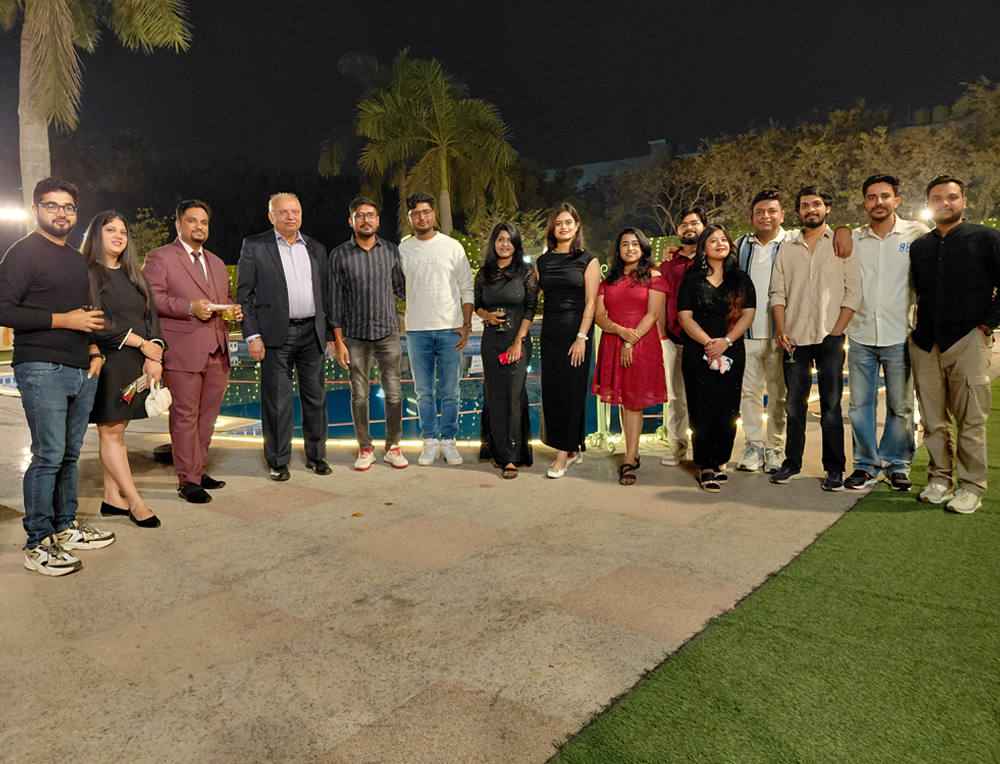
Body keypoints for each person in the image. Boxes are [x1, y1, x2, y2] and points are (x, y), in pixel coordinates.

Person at [0, 177, 115, 576]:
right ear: (36, 210)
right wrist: (63, 320)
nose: (61, 213)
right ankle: (37, 543)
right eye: (52, 205)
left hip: (81, 367)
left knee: (68, 454)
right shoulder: (23, 253)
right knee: (47, 455)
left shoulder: (74, 258)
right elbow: (4, 309)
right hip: (41, 366)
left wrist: (94, 350)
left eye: (68, 207)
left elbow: (85, 313)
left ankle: (65, 526)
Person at [909, 175, 1000, 513]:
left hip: (968, 339)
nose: (944, 203)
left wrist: (986, 326)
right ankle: (940, 479)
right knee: (932, 420)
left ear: (963, 201)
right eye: (936, 198)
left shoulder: (987, 239)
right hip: (926, 341)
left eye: (951, 197)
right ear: (928, 204)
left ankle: (972, 486)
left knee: (970, 419)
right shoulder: (921, 246)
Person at [143, 200, 242, 504]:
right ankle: (187, 480)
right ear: (178, 224)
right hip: (183, 350)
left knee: (207, 418)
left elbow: (224, 298)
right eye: (192, 221)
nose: (199, 226)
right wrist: (188, 307)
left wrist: (232, 310)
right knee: (185, 417)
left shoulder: (216, 262)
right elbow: (151, 299)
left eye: (204, 222)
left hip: (218, 349)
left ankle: (198, 470)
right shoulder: (160, 257)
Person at [769, 186, 861, 491]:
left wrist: (836, 333)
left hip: (829, 337)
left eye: (817, 204)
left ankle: (834, 468)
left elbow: (853, 292)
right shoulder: (787, 248)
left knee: (831, 406)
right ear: (798, 212)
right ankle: (791, 463)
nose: (811, 209)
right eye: (805, 205)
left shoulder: (840, 243)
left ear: (827, 208)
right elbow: (777, 292)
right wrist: (781, 329)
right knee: (794, 406)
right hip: (794, 338)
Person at [237, 193, 331, 481]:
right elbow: (244, 295)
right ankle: (278, 461)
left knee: (316, 399)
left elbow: (325, 294)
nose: (291, 216)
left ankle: (317, 456)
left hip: (312, 333)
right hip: (275, 335)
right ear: (271, 216)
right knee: (277, 402)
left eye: (295, 211)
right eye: (284, 212)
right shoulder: (255, 246)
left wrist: (328, 333)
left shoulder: (316, 248)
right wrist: (252, 335)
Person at [844, 175, 929, 492]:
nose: (878, 202)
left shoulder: (917, 233)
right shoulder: (854, 238)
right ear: (864, 204)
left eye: (884, 196)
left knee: (901, 407)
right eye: (871, 197)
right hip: (861, 334)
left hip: (900, 334)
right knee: (859, 407)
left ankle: (897, 465)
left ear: (896, 200)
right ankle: (865, 465)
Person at [84, 211, 165, 528]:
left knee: (117, 430)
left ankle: (111, 496)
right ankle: (135, 501)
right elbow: (96, 321)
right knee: (112, 432)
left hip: (135, 361)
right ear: (96, 234)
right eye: (110, 230)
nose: (119, 235)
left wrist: (154, 354)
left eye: (123, 231)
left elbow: (151, 317)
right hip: (109, 360)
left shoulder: (135, 275)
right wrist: (140, 344)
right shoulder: (89, 273)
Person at [327, 197, 408, 471]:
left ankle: (393, 446)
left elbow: (401, 288)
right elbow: (334, 301)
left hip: (388, 333)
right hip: (355, 336)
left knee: (394, 392)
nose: (366, 220)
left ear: (378, 220)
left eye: (371, 215)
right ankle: (365, 448)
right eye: (360, 215)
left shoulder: (391, 251)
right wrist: (339, 341)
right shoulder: (339, 255)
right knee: (359, 393)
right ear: (351, 221)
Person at [677, 226, 756, 491]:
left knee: (728, 408)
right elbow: (684, 316)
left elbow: (748, 315)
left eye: (724, 239)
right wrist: (708, 343)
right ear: (703, 248)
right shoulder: (692, 280)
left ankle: (720, 459)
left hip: (731, 350)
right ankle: (706, 465)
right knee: (701, 408)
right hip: (698, 350)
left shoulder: (741, 279)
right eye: (713, 240)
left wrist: (726, 342)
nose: (720, 243)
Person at [398, 193, 475, 468]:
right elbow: (396, 286)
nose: (422, 217)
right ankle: (430, 439)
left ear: (434, 215)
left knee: (451, 390)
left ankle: (448, 439)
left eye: (426, 212)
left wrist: (466, 325)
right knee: (423, 391)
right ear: (409, 218)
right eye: (416, 213)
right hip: (417, 330)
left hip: (449, 329)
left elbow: (467, 287)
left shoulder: (452, 246)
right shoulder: (402, 250)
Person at [592, 228, 668, 485]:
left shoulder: (654, 277)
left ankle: (630, 458)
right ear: (618, 249)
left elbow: (653, 314)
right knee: (624, 400)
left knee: (634, 402)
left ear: (643, 247)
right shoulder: (608, 280)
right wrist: (619, 331)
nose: (630, 248)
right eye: (624, 244)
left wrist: (629, 340)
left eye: (635, 243)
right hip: (614, 341)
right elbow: (599, 316)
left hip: (641, 342)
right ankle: (632, 452)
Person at [536, 203, 600, 478]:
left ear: (576, 227)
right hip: (550, 335)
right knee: (554, 393)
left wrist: (582, 337)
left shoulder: (588, 259)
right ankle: (573, 448)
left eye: (568, 222)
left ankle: (563, 454)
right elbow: (531, 297)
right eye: (559, 223)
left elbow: (591, 302)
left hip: (577, 334)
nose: (563, 227)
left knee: (572, 393)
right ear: (553, 228)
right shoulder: (543, 262)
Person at [474, 222, 538, 478]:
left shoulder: (526, 273)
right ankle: (498, 451)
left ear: (515, 244)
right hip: (491, 341)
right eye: (500, 239)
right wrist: (486, 315)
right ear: (494, 243)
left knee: (513, 394)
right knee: (494, 395)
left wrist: (518, 341)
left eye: (509, 240)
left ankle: (512, 456)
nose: (504, 244)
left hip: (517, 340)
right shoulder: (484, 273)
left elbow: (531, 309)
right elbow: (478, 305)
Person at [734, 191, 791, 474]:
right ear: (751, 216)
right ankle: (754, 446)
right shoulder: (740, 245)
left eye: (771, 211)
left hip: (781, 334)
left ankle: (775, 447)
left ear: (782, 215)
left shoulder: (793, 242)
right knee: (749, 394)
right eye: (759, 211)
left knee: (779, 395)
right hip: (746, 334)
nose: (765, 216)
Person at [657, 206, 706, 466]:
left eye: (694, 223)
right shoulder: (667, 266)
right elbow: (659, 301)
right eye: (684, 224)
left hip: (706, 341)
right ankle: (677, 443)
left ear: (704, 227)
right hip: (674, 340)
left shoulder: (713, 259)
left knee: (705, 396)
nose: (689, 227)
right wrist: (662, 335)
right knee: (675, 396)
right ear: (677, 231)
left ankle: (706, 447)